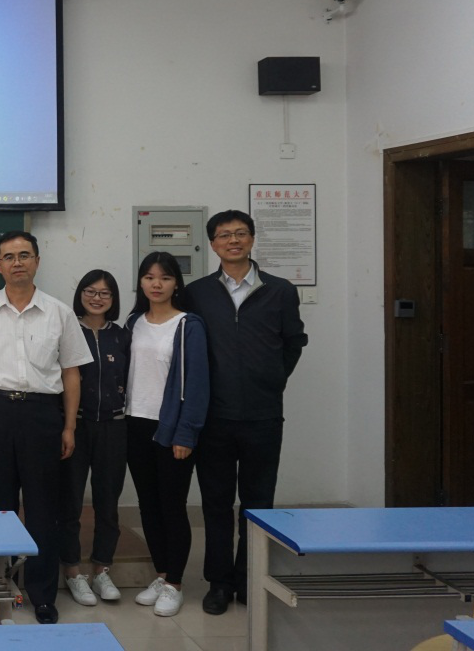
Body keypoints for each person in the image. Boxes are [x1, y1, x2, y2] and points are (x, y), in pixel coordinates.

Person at [0, 231, 92, 625]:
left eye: (24, 255)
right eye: (9, 257)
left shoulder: (59, 312)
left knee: (43, 509)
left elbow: (71, 374)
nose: (17, 262)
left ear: (37, 261)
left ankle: (41, 594)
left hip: (42, 414)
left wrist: (68, 426)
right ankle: (0, 587)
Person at [185, 210, 307, 615]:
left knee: (258, 503)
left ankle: (250, 579)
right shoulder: (197, 293)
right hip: (214, 417)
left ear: (252, 239)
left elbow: (294, 342)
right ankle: (219, 583)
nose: (233, 241)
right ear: (213, 244)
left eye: (240, 233)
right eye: (224, 235)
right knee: (216, 504)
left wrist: (271, 380)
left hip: (263, 415)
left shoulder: (280, 290)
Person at [123, 252, 209, 618]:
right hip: (134, 423)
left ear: (176, 283)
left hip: (170, 427)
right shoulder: (133, 322)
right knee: (148, 505)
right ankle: (161, 575)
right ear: (141, 282)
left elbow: (198, 384)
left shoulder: (188, 325)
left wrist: (186, 434)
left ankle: (175, 583)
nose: (156, 284)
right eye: (149, 277)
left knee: (172, 506)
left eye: (165, 277)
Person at [60, 270, 129, 607]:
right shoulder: (68, 330)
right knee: (69, 501)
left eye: (105, 293)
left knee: (108, 502)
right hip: (76, 425)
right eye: (90, 291)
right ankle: (73, 570)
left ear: (113, 299)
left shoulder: (122, 336)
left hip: (114, 427)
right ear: (80, 295)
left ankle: (102, 568)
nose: (97, 298)